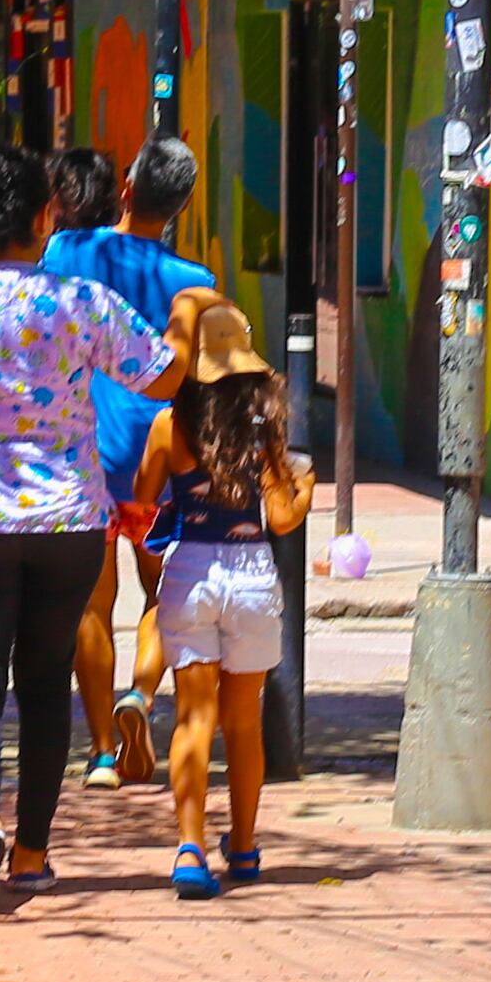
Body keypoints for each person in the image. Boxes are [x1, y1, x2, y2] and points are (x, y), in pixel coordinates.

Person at [0, 140, 190, 912]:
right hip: (68, 519)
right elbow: (159, 374)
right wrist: (188, 328)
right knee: (47, 680)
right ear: (42, 216)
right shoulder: (79, 300)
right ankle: (30, 854)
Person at [44, 138, 215, 790]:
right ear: (181, 205)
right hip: (157, 462)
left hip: (83, 451)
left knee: (93, 604)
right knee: (160, 591)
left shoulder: (65, 252)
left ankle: (103, 753)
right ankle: (141, 695)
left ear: (125, 187)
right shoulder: (195, 284)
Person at [127, 298, 307, 896]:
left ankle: (189, 849)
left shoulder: (169, 426)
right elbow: (281, 520)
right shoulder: (266, 429)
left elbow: (145, 494)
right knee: (245, 725)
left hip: (192, 573)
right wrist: (303, 491)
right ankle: (247, 848)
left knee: (194, 718)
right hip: (253, 573)